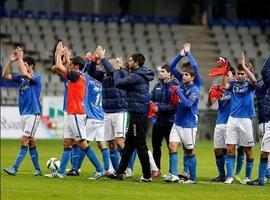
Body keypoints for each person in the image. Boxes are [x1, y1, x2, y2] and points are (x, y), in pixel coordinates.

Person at [45, 42, 104, 179]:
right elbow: (58, 69)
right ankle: (60, 172)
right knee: (67, 142)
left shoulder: (77, 76)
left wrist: (59, 54)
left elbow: (59, 67)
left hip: (76, 114)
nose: (69, 67)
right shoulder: (77, 76)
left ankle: (100, 169)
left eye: (71, 65)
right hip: (72, 113)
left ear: (76, 67)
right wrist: (59, 55)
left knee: (82, 143)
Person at [89, 46, 136, 176]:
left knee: (119, 141)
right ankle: (118, 172)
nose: (107, 66)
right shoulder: (104, 76)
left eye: (111, 63)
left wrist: (103, 57)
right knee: (110, 143)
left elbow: (111, 70)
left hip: (120, 111)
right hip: (107, 112)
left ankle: (129, 168)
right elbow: (91, 72)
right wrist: (94, 60)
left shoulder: (123, 73)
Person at [109, 53, 154, 182]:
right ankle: (119, 172)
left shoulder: (137, 77)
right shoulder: (139, 74)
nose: (128, 62)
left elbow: (118, 83)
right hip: (137, 112)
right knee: (128, 145)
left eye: (130, 60)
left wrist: (117, 70)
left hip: (138, 114)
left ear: (137, 63)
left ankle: (147, 175)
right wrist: (121, 70)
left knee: (140, 145)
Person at [66, 53, 110, 176]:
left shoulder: (88, 82)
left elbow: (81, 73)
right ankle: (107, 169)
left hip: (91, 116)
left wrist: (88, 61)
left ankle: (76, 168)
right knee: (102, 144)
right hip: (102, 116)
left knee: (82, 143)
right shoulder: (104, 84)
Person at [164, 43, 201, 184]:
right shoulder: (182, 84)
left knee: (190, 151)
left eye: (186, 74)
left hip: (188, 125)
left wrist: (178, 91)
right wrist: (181, 55)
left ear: (192, 77)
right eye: (183, 74)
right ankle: (173, 175)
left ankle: (193, 178)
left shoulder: (194, 90)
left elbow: (187, 105)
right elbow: (171, 67)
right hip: (177, 123)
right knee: (172, 146)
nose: (183, 75)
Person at [3, 47, 42, 176]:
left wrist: (20, 57)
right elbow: (5, 75)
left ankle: (14, 168)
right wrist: (10, 61)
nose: (22, 67)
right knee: (31, 141)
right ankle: (38, 170)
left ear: (31, 66)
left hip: (33, 112)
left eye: (25, 65)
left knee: (24, 139)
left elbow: (26, 74)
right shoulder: (21, 78)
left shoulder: (36, 77)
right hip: (24, 113)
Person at [221, 52, 257, 184]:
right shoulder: (233, 84)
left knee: (248, 150)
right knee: (230, 148)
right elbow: (223, 87)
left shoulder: (250, 85)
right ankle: (229, 176)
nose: (240, 76)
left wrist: (244, 66)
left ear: (246, 74)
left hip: (246, 120)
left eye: (242, 73)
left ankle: (247, 177)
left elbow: (254, 80)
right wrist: (225, 73)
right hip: (232, 119)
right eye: (238, 73)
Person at [207, 64, 234, 182]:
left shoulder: (235, 89)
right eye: (225, 75)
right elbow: (210, 104)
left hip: (231, 123)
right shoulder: (219, 89)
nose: (227, 77)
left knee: (230, 149)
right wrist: (209, 95)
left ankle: (230, 175)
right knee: (217, 149)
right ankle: (222, 175)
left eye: (228, 75)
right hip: (219, 123)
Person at [150, 64, 178, 174]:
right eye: (160, 71)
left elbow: (173, 105)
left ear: (169, 73)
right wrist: (154, 107)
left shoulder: (174, 86)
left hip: (170, 121)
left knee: (171, 147)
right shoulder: (157, 85)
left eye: (163, 71)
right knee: (156, 147)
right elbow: (150, 99)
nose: (160, 73)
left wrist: (158, 108)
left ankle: (172, 171)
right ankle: (156, 170)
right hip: (158, 121)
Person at [247, 56, 270, 186]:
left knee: (265, 151)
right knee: (264, 151)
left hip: (267, 120)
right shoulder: (265, 82)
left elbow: (265, 70)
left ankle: (263, 177)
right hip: (266, 120)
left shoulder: (266, 81)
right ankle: (262, 179)